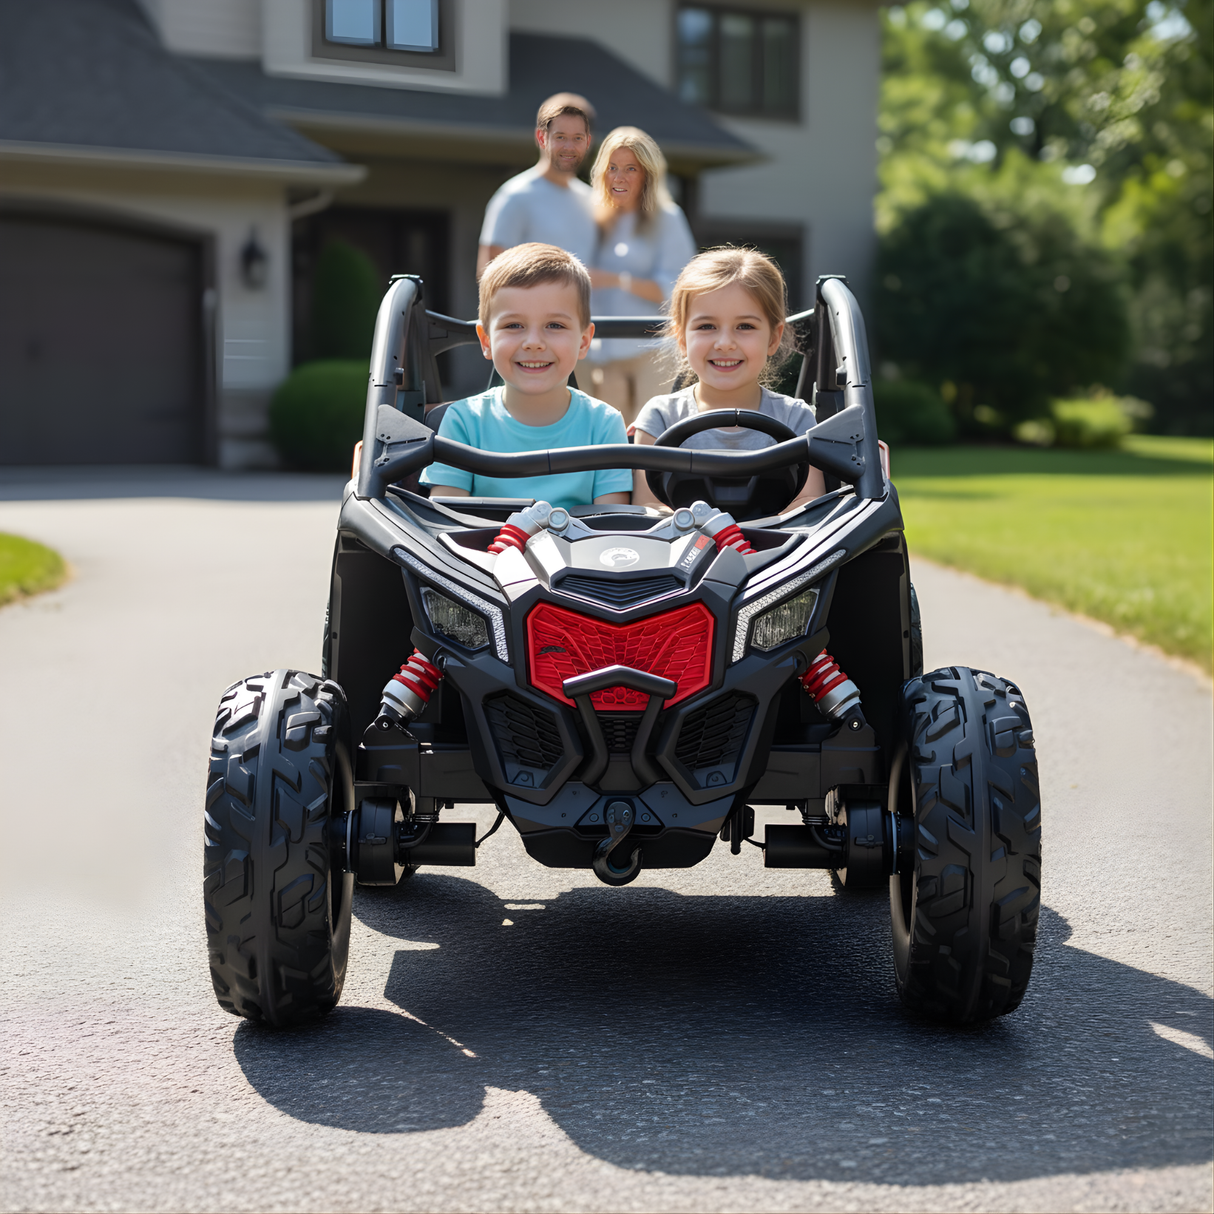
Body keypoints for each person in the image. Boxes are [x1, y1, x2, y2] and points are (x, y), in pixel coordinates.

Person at [420, 243, 632, 511]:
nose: (534, 342)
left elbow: (612, 528)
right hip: (481, 552)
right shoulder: (464, 423)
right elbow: (446, 521)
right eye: (514, 325)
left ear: (583, 341)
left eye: (554, 325)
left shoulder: (604, 424)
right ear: (486, 341)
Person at [631, 246, 826, 513]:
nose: (724, 343)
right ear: (681, 338)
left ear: (773, 338)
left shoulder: (795, 419)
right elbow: (648, 505)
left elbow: (808, 502)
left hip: (777, 552)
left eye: (745, 326)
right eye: (706, 326)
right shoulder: (660, 418)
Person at [585, 126, 696, 427]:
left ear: (647, 174)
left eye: (630, 169)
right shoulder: (592, 218)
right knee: (609, 442)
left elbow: (677, 290)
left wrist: (616, 279)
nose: (619, 177)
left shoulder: (669, 219)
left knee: (653, 439)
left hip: (654, 352)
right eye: (612, 168)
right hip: (605, 353)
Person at [476, 94, 598, 279]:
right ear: (541, 137)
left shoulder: (594, 201)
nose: (569, 147)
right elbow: (490, 276)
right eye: (560, 136)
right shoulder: (515, 196)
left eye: (577, 138)